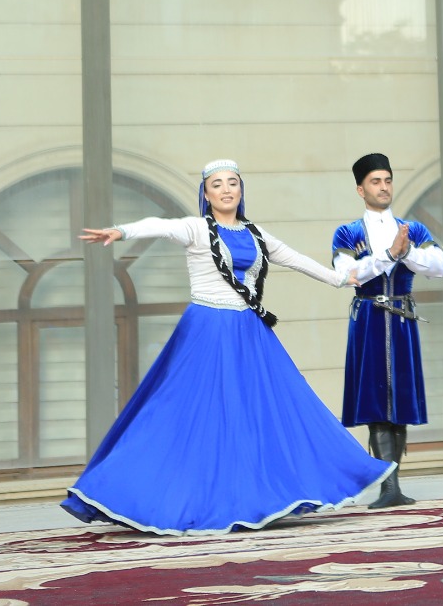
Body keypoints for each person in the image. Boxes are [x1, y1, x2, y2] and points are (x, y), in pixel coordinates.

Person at [65, 160, 392, 535]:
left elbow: (296, 259)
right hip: (207, 330)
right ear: (206, 194)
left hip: (247, 333)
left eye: (232, 183)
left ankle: (256, 493)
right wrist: (121, 232)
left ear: (241, 190)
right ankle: (150, 491)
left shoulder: (256, 234)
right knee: (184, 412)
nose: (225, 189)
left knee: (265, 411)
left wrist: (339, 279)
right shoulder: (196, 229)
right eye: (217, 184)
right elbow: (159, 225)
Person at [332, 152, 443, 508]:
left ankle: (394, 484)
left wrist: (406, 251)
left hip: (401, 318)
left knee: (399, 399)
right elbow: (346, 274)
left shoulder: (414, 229)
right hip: (369, 318)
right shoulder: (348, 232)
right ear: (360, 189)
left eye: (387, 180)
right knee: (376, 399)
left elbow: (438, 266)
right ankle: (388, 486)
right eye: (375, 182)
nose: (383, 187)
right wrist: (388, 255)